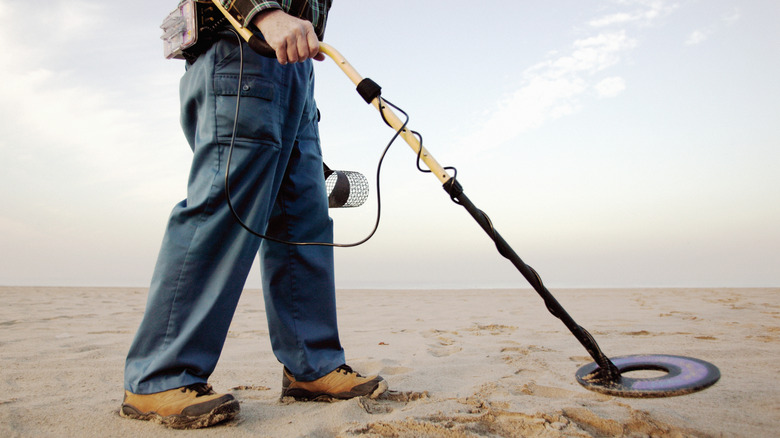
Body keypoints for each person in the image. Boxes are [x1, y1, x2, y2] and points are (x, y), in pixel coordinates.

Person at [120, 0, 387, 429]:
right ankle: (158, 375)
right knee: (222, 209)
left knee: (304, 216)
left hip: (295, 67)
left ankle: (311, 365)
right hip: (243, 45)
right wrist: (264, 13)